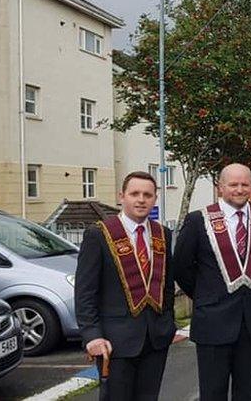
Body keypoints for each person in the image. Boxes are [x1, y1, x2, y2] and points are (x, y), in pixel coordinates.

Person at [173, 163, 251, 401]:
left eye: (245, 184)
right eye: (233, 184)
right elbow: (181, 267)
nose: (239, 189)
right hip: (213, 322)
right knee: (213, 393)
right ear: (220, 187)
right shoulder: (199, 220)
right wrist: (206, 296)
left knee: (247, 392)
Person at [75, 171, 176, 400]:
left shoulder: (163, 234)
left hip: (156, 339)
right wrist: (91, 335)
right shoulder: (99, 234)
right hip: (114, 343)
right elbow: (85, 292)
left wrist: (168, 323)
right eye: (135, 194)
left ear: (155, 198)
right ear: (121, 196)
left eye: (147, 195)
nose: (141, 199)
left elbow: (167, 286)